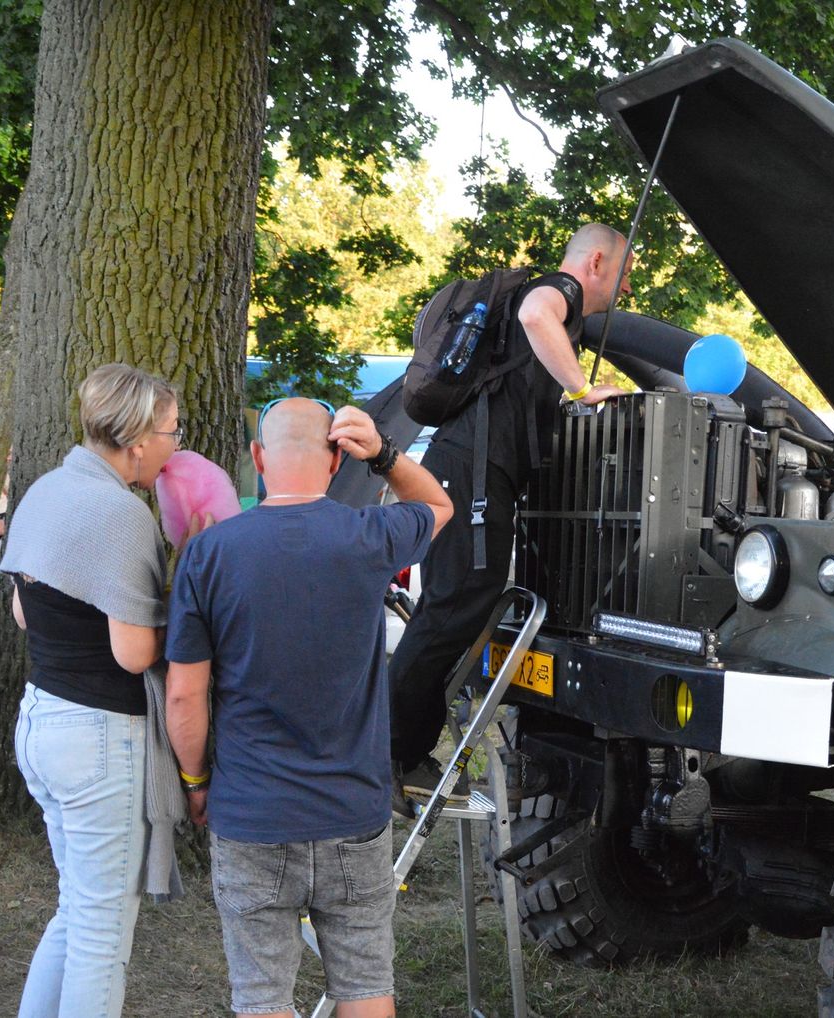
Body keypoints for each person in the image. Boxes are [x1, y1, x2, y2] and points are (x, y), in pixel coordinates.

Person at [165, 398, 452, 1018]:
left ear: (258, 458)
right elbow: (438, 505)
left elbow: (184, 693)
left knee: (262, 997)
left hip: (252, 813)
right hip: (353, 811)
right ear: (335, 460)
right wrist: (385, 455)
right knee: (366, 987)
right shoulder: (369, 535)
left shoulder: (208, 553)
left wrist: (194, 782)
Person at [387, 223, 635, 798]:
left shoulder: (559, 308)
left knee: (457, 604)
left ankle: (398, 751)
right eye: (624, 274)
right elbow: (534, 314)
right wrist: (582, 389)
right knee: (455, 603)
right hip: (473, 470)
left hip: (468, 468)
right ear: (596, 262)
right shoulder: (560, 291)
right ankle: (391, 756)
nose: (625, 289)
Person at [0, 364, 187, 1017]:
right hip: (100, 737)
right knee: (103, 937)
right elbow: (134, 654)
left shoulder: (47, 488)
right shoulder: (121, 513)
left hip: (41, 719)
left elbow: (23, 613)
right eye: (171, 431)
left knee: (78, 913)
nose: (176, 445)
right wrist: (186, 607)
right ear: (136, 440)